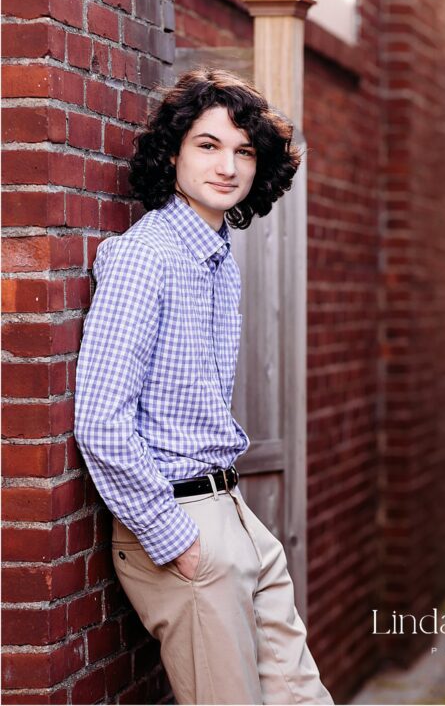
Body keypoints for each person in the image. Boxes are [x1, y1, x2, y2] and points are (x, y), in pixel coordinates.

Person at [75, 69, 332, 704]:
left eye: (244, 151)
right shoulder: (146, 256)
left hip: (234, 515)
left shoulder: (216, 259)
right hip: (177, 523)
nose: (229, 165)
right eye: (208, 145)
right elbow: (102, 418)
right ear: (173, 153)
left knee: (303, 698)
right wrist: (175, 540)